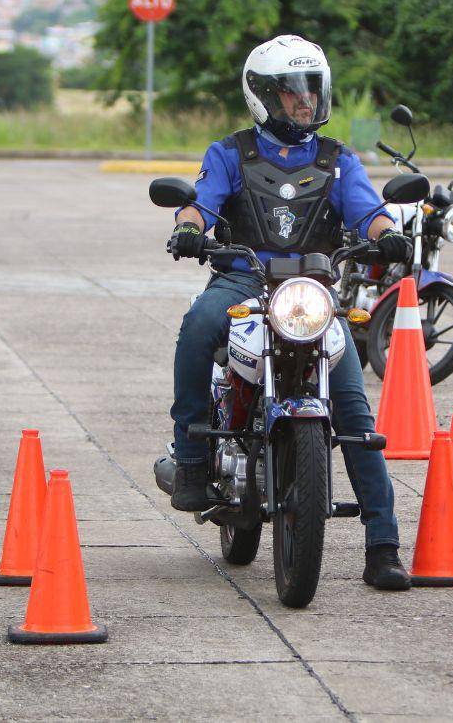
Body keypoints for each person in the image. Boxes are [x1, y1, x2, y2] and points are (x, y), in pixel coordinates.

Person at [165, 35, 413, 590]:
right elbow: (200, 204)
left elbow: (370, 212)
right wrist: (188, 229)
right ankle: (190, 455)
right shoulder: (230, 153)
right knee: (198, 326)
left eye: (313, 89)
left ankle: (384, 545)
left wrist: (389, 236)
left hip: (313, 291)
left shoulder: (338, 159)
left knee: (353, 410)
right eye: (293, 91)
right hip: (243, 278)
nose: (306, 101)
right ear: (263, 96)